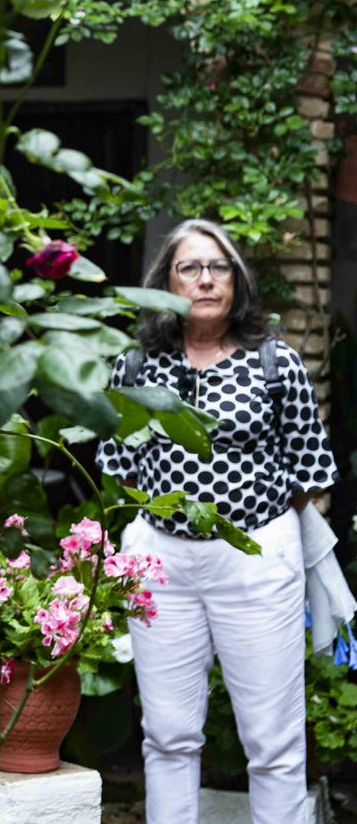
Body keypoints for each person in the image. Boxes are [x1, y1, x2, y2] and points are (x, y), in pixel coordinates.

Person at [97, 218, 337, 824]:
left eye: (218, 267)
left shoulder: (274, 362)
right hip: (163, 565)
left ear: (236, 280)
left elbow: (310, 474)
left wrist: (254, 529)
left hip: (256, 560)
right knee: (169, 735)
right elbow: (122, 465)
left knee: (274, 743)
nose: (205, 280)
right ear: (167, 282)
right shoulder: (137, 366)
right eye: (189, 268)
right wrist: (167, 519)